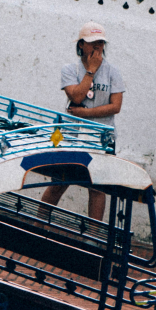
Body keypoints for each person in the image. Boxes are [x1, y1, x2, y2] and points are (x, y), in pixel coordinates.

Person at [41, 22, 126, 220]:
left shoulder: (113, 72)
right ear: (81, 45)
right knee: (58, 182)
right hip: (68, 134)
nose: (97, 47)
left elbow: (116, 106)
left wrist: (85, 114)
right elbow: (76, 97)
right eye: (92, 42)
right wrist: (91, 71)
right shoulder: (69, 69)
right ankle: (39, 225)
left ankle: (93, 237)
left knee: (97, 187)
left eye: (101, 43)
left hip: (101, 136)